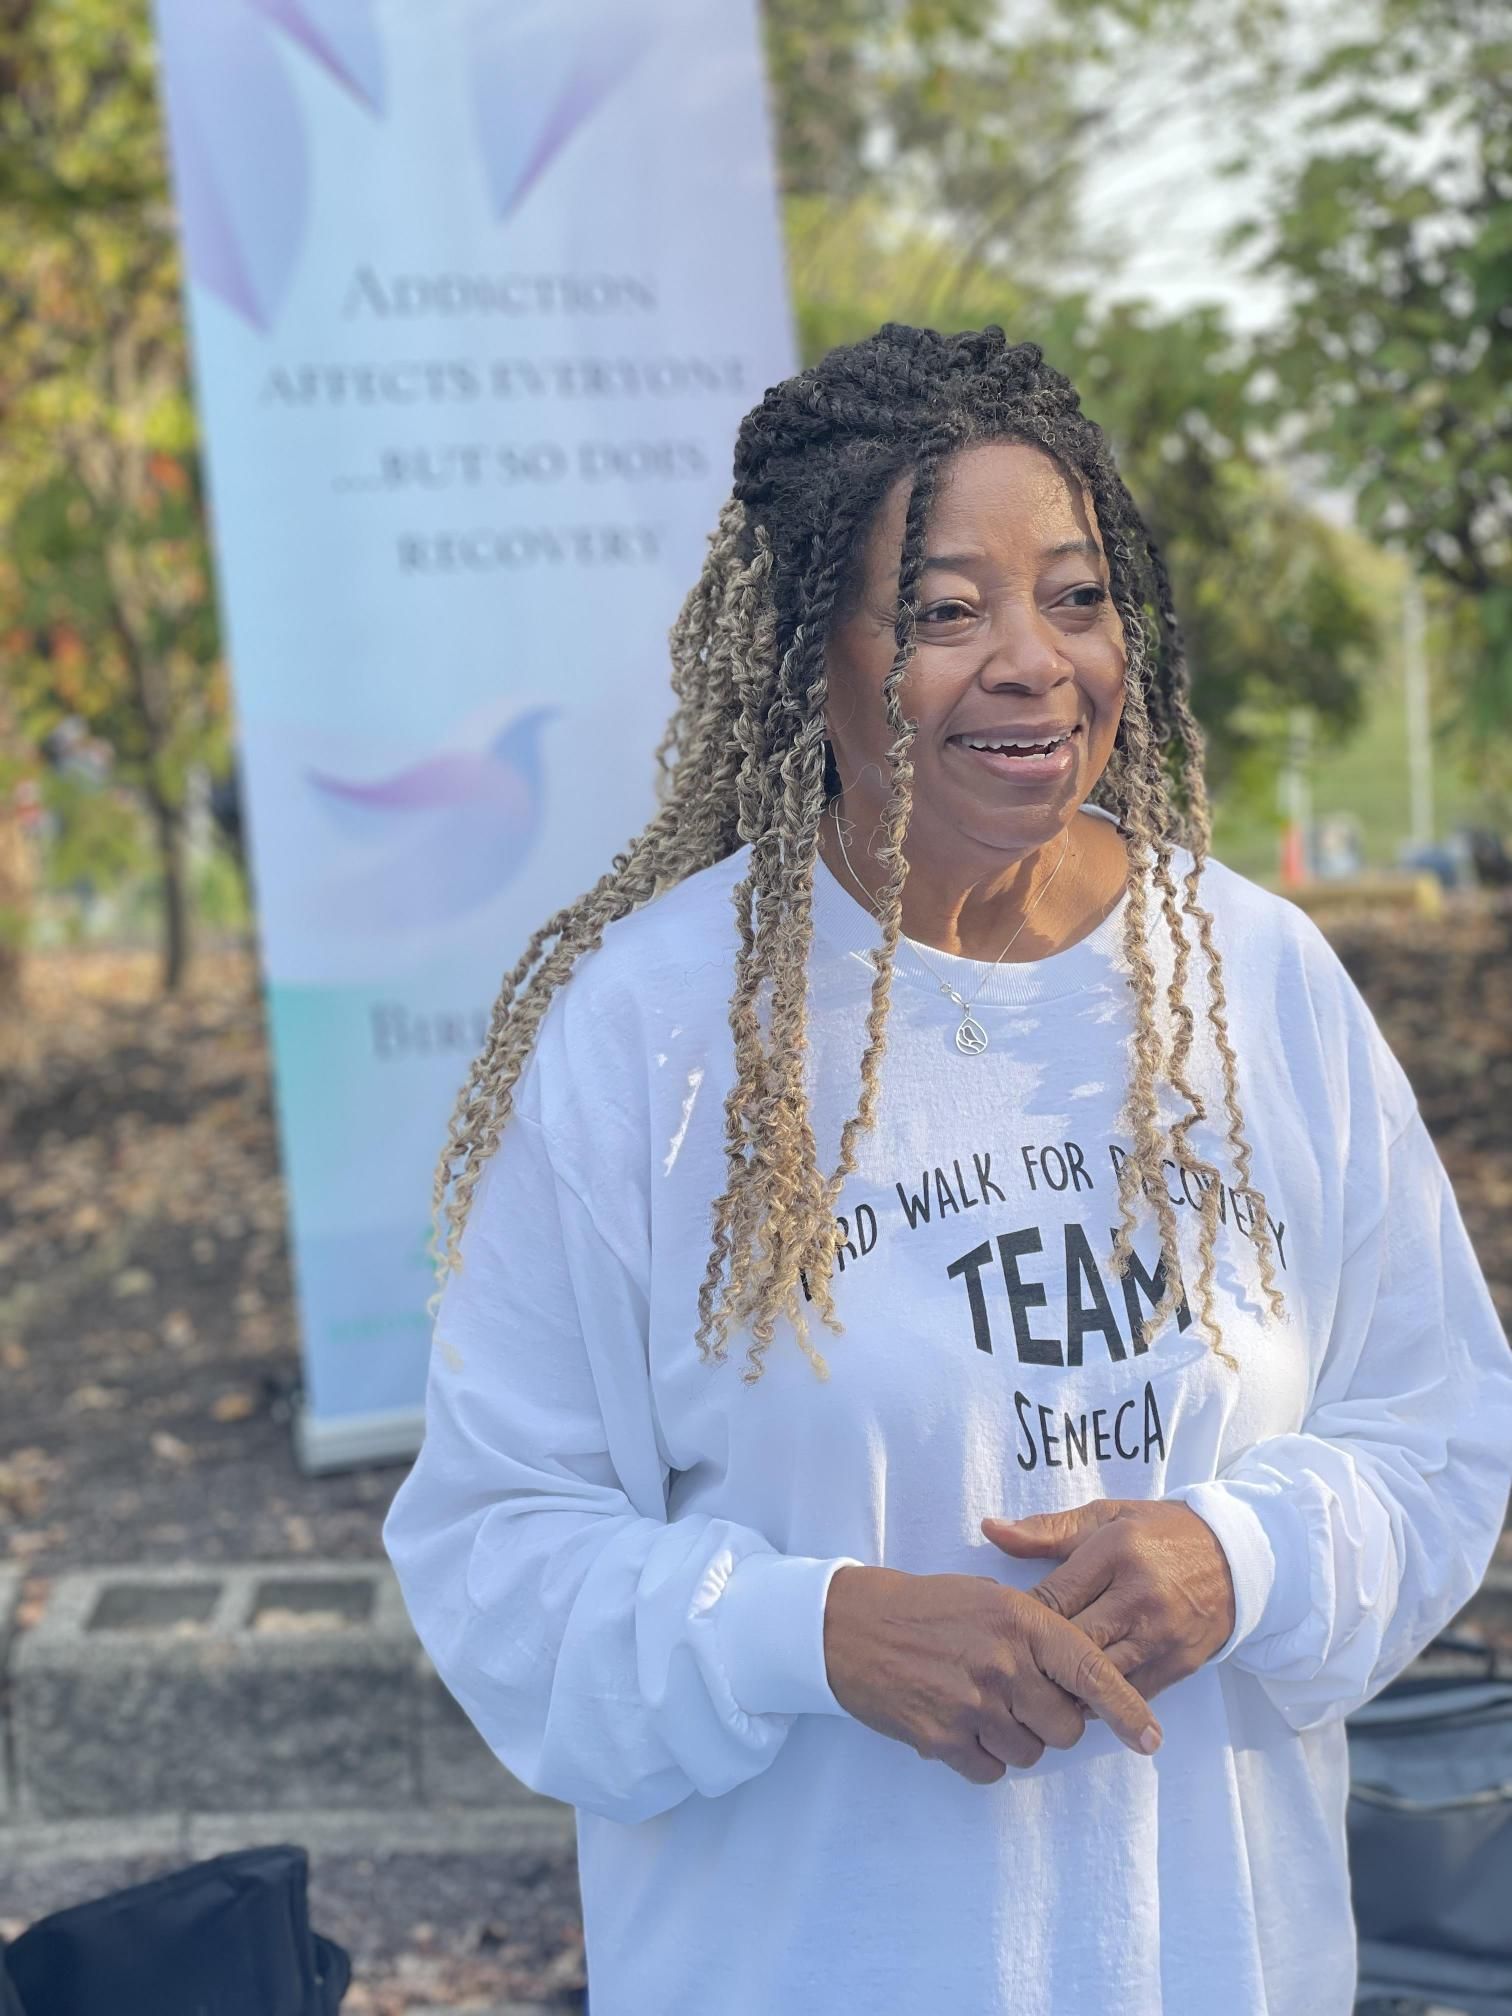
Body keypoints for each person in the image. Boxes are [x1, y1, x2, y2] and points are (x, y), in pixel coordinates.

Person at [382, 323, 1512, 2016]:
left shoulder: (1259, 982)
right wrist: (818, 1634)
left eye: (1074, 597)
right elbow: (497, 1553)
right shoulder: (658, 1035)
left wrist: (1242, 1556)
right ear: (804, 656)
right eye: (943, 611)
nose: (1031, 662)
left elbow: (1438, 1432)